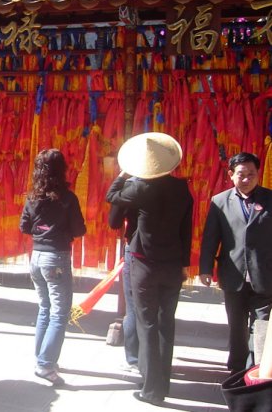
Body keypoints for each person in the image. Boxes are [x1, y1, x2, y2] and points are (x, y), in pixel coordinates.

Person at [106, 132, 193, 406]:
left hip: (145, 262)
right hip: (172, 263)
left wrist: (122, 174)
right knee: (167, 322)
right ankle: (162, 380)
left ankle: (152, 389)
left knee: (147, 322)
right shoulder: (182, 188)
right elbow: (186, 229)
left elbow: (111, 196)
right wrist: (184, 263)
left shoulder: (140, 187)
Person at [199, 152, 272, 375]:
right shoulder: (220, 201)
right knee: (237, 327)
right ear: (231, 175)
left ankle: (258, 370)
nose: (247, 179)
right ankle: (237, 369)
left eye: (252, 174)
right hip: (234, 274)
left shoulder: (270, 199)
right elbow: (211, 238)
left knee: (261, 326)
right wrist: (205, 268)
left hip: (265, 275)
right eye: (242, 174)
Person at [20, 148, 86, 387]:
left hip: (36, 257)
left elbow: (24, 227)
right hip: (56, 258)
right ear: (62, 170)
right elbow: (80, 230)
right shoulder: (68, 198)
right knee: (60, 312)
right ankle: (46, 364)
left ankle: (42, 358)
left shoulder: (32, 197)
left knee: (45, 308)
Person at [108, 200, 140, 375]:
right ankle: (155, 359)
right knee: (160, 311)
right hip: (166, 254)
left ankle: (134, 359)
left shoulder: (131, 190)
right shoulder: (178, 189)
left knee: (133, 308)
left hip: (136, 251)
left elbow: (114, 221)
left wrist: (120, 181)